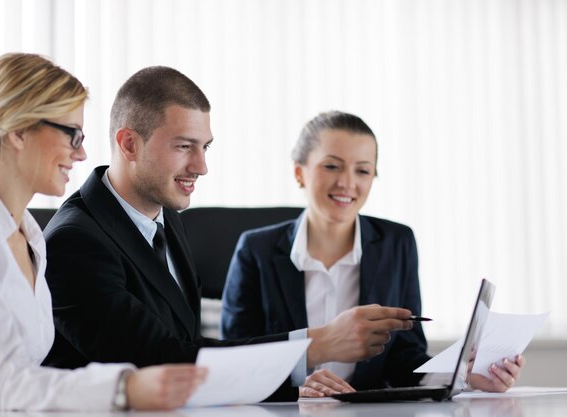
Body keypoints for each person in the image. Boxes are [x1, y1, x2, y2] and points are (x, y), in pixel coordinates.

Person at [42, 66, 416, 402]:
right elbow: (158, 360)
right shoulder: (75, 240)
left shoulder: (167, 220)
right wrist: (315, 344)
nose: (201, 166)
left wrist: (290, 385)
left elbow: (190, 346)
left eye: (204, 147)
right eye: (184, 146)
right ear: (129, 144)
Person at [0, 53, 206, 411]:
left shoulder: (30, 235)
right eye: (72, 135)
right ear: (17, 131)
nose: (81, 154)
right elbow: (10, 382)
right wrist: (125, 387)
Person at [221, 111, 526, 396]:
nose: (347, 183)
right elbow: (237, 358)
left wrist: (461, 375)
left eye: (363, 170)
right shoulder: (256, 249)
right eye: (331, 166)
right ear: (300, 172)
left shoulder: (396, 243)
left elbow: (404, 356)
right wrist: (294, 388)